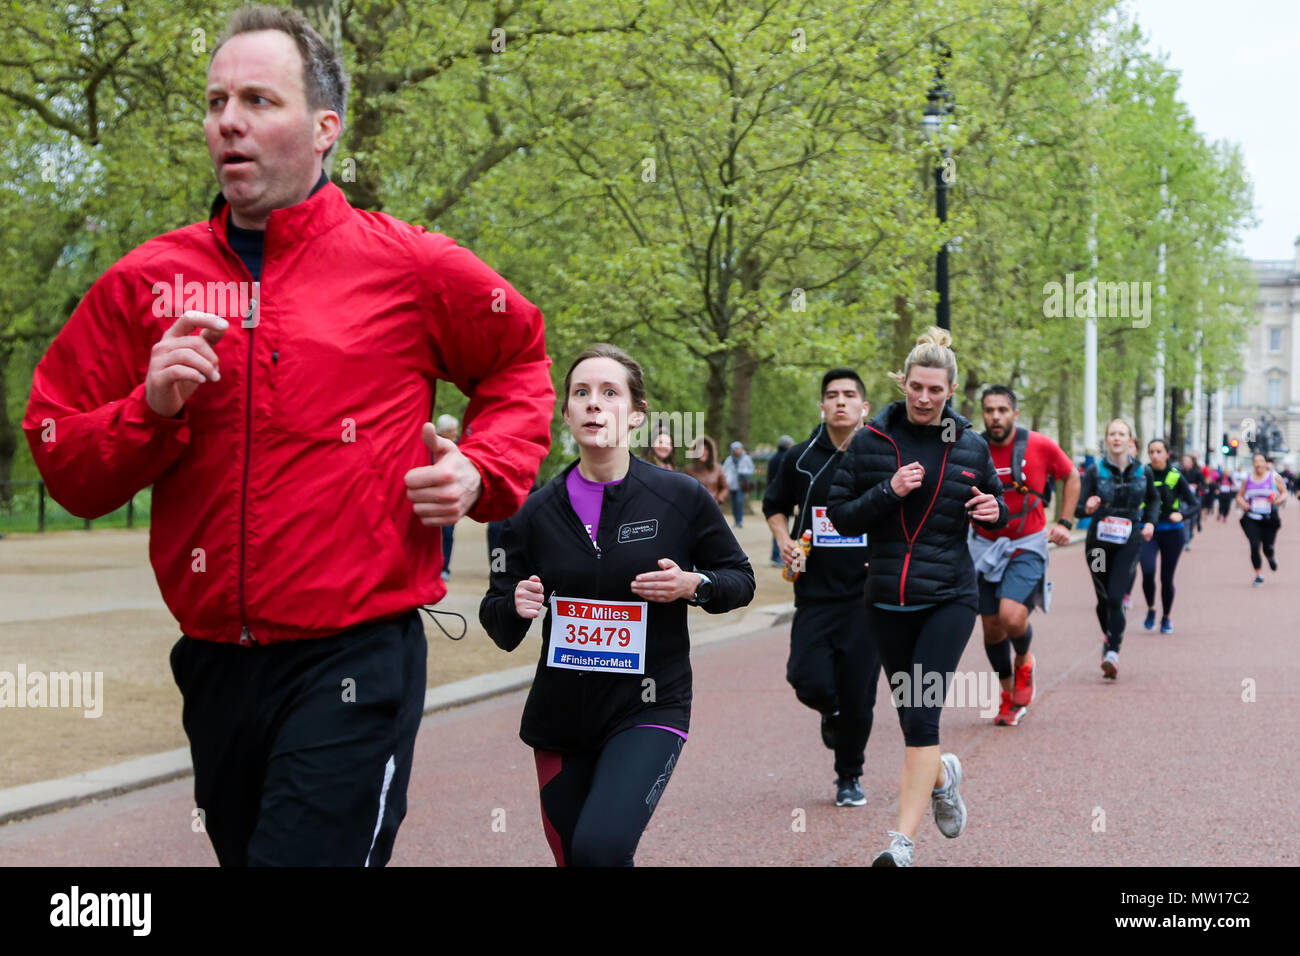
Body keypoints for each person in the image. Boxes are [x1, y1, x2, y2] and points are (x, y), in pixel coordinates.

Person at [22, 6, 553, 867]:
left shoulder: (409, 267)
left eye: (259, 100)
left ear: (324, 129)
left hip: (355, 656)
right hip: (216, 669)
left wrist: (481, 473)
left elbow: (520, 361)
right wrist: (147, 410)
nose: (228, 120)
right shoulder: (147, 282)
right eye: (216, 100)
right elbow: (61, 455)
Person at [479, 345, 755, 866]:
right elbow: (498, 620)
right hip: (562, 717)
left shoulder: (680, 497)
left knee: (601, 848)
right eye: (580, 393)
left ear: (637, 414)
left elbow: (739, 580)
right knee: (577, 859)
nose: (593, 405)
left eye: (610, 393)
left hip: (649, 705)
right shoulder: (531, 513)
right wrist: (514, 604)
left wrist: (693, 584)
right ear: (566, 414)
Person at [828, 328, 1008, 867]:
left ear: (951, 390)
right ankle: (945, 774)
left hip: (949, 596)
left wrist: (992, 514)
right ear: (902, 383)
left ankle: (899, 845)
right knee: (911, 720)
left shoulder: (971, 445)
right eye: (916, 388)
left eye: (935, 389)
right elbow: (841, 515)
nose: (925, 398)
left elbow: (993, 507)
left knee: (924, 717)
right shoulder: (870, 441)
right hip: (885, 598)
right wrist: (890, 491)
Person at [763, 370, 880, 807]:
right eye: (832, 396)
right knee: (806, 678)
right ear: (822, 407)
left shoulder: (881, 456)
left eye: (850, 395)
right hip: (815, 590)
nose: (841, 402)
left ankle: (849, 775)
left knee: (859, 693)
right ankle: (830, 713)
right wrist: (784, 540)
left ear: (864, 407)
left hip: (869, 594)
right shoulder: (799, 458)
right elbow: (774, 506)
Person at [970, 386, 1080, 727]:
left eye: (1002, 410)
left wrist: (1064, 521)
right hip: (984, 545)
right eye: (989, 411)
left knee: (1011, 617)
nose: (995, 417)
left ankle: (1024, 659)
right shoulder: (973, 448)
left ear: (1014, 414)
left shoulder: (1040, 445)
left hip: (1027, 543)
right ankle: (1007, 695)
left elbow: (1071, 475)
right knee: (990, 628)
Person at [1077, 420, 1158, 680]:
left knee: (1115, 597)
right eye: (1112, 434)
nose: (1116, 438)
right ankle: (1108, 636)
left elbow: (1154, 501)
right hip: (1099, 544)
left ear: (1130, 440)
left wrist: (1150, 523)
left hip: (1128, 540)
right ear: (1106, 439)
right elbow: (1078, 506)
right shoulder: (1093, 471)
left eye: (1121, 434)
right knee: (1102, 599)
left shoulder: (1143, 471)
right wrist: (1087, 508)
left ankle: (1112, 651)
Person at [1138, 440, 1198, 633]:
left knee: (1166, 578)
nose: (1154, 455)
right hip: (1148, 531)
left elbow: (1195, 503)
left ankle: (1166, 617)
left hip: (1172, 532)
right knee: (1147, 571)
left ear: (1166, 454)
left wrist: (1182, 514)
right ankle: (1151, 609)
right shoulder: (1141, 474)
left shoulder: (1175, 476)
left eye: (1158, 451)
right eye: (1151, 452)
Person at [1236, 451, 1288, 586]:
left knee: (1267, 547)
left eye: (1261, 461)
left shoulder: (1274, 477)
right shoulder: (1247, 479)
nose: (1258, 464)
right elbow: (1239, 496)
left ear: (1265, 463)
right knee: (1254, 545)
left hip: (1269, 518)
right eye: (1256, 461)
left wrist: (1278, 501)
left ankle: (1270, 556)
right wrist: (1243, 503)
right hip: (1251, 518)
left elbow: (1284, 492)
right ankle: (1259, 575)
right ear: (1253, 464)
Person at [436, 414, 461, 579]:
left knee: (447, 533)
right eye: (452, 431)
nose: (455, 434)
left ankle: (444, 568)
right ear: (443, 432)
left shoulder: (459, 447)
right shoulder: (431, 445)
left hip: (451, 496)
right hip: (433, 495)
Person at [766, 434, 795, 566]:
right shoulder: (787, 458)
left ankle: (775, 555)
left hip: (773, 494)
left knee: (777, 529)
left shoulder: (773, 459)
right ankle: (779, 557)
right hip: (783, 497)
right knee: (783, 529)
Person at [683, 435, 729, 508]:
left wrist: (719, 499)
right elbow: (684, 490)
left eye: (706, 449)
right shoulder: (688, 470)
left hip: (714, 508)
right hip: (694, 509)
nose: (703, 452)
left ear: (710, 452)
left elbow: (725, 488)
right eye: (700, 449)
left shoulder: (718, 468)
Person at [722, 441, 755, 527]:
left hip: (742, 484)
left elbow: (751, 469)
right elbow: (724, 470)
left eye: (740, 448)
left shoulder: (746, 458)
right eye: (737, 449)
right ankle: (736, 520)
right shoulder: (729, 459)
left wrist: (743, 472)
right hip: (731, 484)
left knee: (739, 501)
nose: (739, 450)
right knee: (733, 503)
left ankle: (740, 521)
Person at [1179, 453, 1204, 550]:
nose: (1185, 463)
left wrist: (1197, 486)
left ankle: (1190, 533)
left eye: (1188, 461)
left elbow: (1204, 485)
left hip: (1195, 499)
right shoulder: (1179, 473)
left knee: (1193, 519)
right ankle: (1185, 541)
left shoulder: (1197, 473)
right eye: (1184, 461)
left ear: (1192, 463)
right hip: (1183, 499)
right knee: (1185, 520)